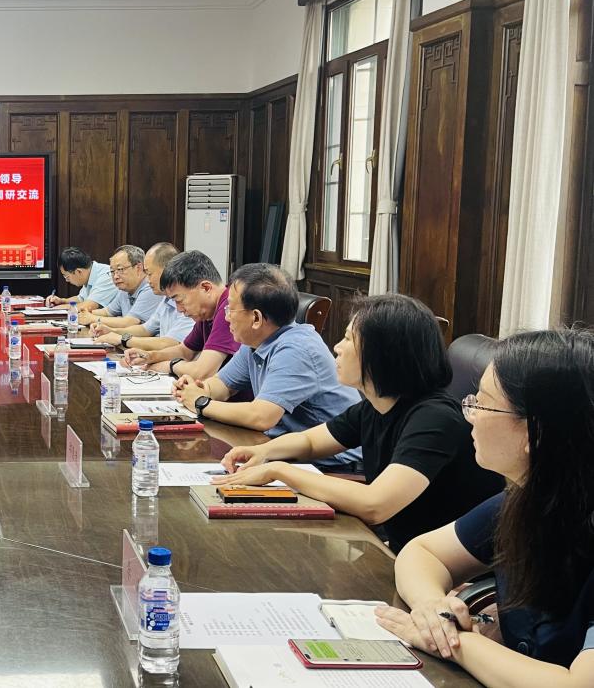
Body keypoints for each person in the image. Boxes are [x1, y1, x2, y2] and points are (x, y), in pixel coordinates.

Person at [374, 329, 594, 685]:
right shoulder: (529, 498)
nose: (470, 414)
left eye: (483, 403)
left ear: (534, 432)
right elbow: (423, 551)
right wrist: (433, 607)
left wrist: (454, 643)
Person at [211, 294, 501, 551]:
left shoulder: (435, 419)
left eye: (349, 339)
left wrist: (279, 470)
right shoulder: (377, 406)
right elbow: (311, 441)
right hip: (405, 552)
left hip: (446, 571)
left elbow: (374, 504)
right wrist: (263, 452)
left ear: (383, 353)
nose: (337, 348)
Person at [173, 263, 360, 467]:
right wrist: (195, 389)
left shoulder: (296, 349)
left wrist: (201, 403)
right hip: (283, 449)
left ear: (256, 318)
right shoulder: (256, 341)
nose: (226, 317)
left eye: (231, 309)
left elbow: (261, 417)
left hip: (333, 463)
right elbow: (222, 386)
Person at [123, 250, 240, 380]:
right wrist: (150, 356)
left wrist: (171, 365)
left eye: (179, 300)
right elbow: (185, 351)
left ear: (206, 288)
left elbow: (202, 372)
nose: (179, 309)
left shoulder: (229, 309)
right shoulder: (207, 313)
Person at [92, 242, 194, 349]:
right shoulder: (166, 299)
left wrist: (122, 339)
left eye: (149, 274)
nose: (148, 280)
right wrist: (112, 331)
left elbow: (169, 343)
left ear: (167, 271)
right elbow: (145, 329)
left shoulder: (190, 302)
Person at [76, 245, 160, 329]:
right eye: (112, 271)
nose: (115, 276)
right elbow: (107, 312)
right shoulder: (125, 289)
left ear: (138, 268)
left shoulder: (150, 288)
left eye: (120, 269)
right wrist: (85, 313)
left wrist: (93, 318)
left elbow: (130, 322)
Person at [46, 246, 119, 310]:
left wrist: (54, 309)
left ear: (78, 271)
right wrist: (62, 301)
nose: (66, 280)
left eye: (66, 276)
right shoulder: (90, 273)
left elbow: (89, 306)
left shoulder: (107, 276)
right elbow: (81, 299)